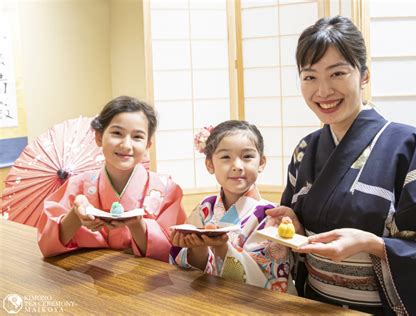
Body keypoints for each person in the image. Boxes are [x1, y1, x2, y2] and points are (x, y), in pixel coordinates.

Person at [265, 16, 416, 315]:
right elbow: (301, 236)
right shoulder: (305, 150)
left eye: (337, 73)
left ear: (364, 75)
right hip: (317, 306)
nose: (323, 91)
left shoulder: (405, 144)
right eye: (310, 76)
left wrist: (374, 244)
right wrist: (294, 226)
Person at [37, 96, 186, 262]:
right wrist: (75, 215)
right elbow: (47, 246)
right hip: (87, 275)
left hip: (144, 280)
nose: (126, 145)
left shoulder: (167, 189)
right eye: (117, 133)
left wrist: (137, 225)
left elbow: (174, 253)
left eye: (137, 137)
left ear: (147, 146)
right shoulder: (77, 185)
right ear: (99, 137)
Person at [170, 120, 293, 293]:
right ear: (210, 164)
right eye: (226, 157)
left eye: (247, 156)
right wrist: (198, 248)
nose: (237, 166)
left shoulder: (271, 216)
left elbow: (269, 281)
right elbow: (189, 267)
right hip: (207, 301)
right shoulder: (206, 207)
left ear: (262, 163)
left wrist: (222, 247)